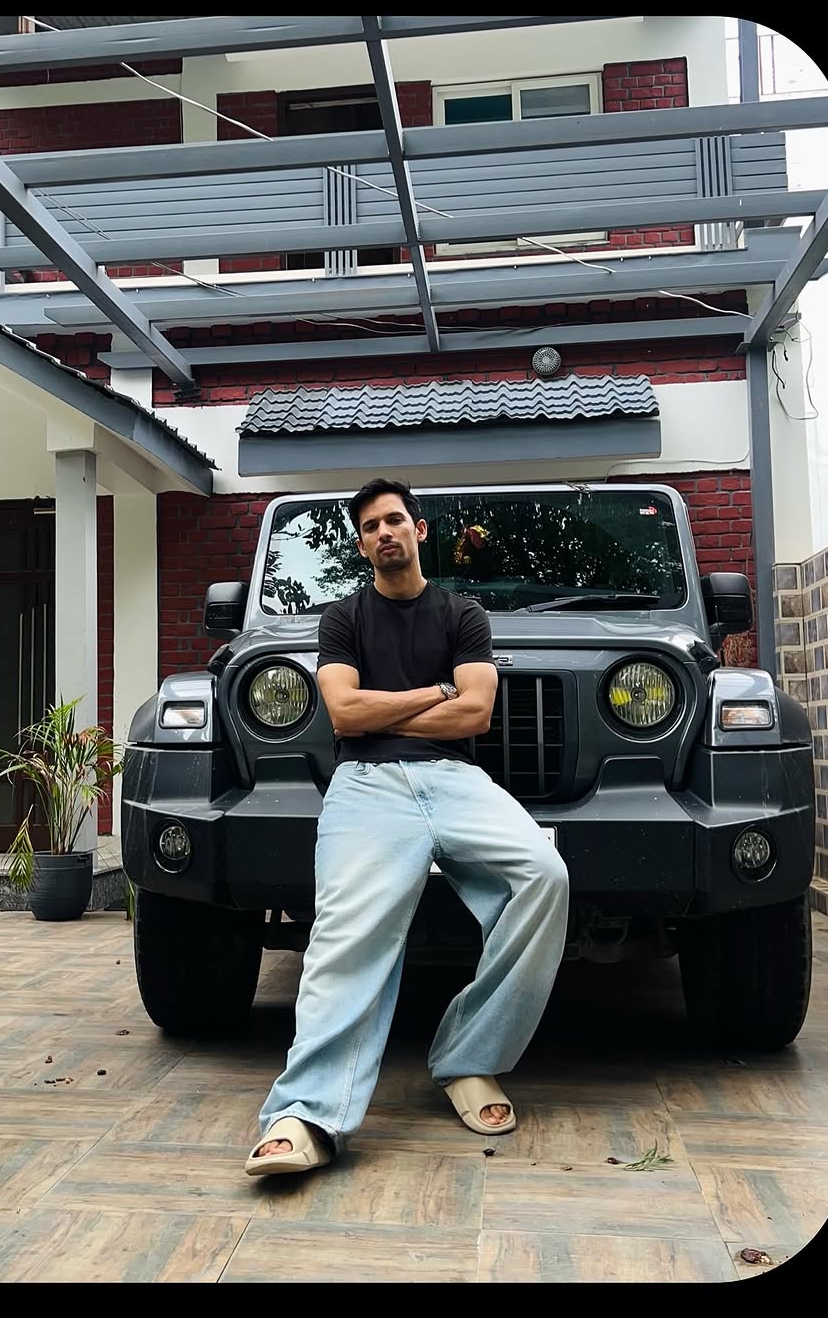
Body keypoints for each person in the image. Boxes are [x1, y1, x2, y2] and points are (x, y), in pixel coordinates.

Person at [245, 478, 569, 1176]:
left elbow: (476, 713)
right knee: (345, 931)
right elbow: (343, 714)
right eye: (370, 527)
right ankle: (306, 1112)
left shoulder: (462, 613)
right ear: (362, 546)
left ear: (419, 530)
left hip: (455, 779)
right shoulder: (343, 618)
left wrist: (385, 709)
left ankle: (471, 1058)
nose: (383, 532)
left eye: (394, 519)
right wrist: (434, 692)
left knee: (544, 877)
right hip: (365, 783)